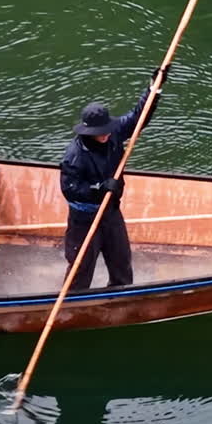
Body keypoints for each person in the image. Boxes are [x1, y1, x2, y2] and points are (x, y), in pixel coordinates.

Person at [59, 68, 167, 291]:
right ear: (89, 133)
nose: (106, 134)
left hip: (110, 212)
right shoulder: (75, 156)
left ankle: (118, 298)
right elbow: (70, 189)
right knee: (81, 268)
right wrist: (98, 188)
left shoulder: (113, 131)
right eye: (101, 132)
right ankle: (73, 306)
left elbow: (139, 117)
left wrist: (153, 90)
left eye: (106, 130)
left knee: (121, 261)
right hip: (84, 218)